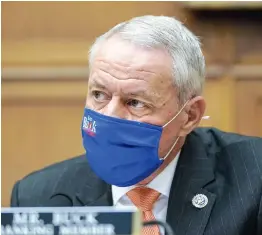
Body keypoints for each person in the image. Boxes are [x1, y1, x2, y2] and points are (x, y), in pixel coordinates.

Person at [11, 15, 262, 235]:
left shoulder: (253, 178)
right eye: (99, 94)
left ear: (190, 115)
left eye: (135, 102)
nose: (110, 116)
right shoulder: (39, 198)